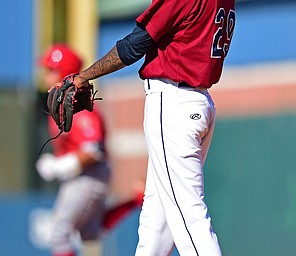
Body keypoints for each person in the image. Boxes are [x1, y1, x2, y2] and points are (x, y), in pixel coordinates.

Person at [51, 0, 236, 255]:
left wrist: (83, 76)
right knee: (155, 226)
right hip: (198, 103)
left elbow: (134, 45)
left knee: (189, 218)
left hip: (173, 103)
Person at [35, 44, 111, 256]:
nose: (46, 75)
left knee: (59, 234)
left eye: (51, 70)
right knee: (88, 232)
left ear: (63, 72)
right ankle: (134, 200)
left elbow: (93, 150)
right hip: (84, 174)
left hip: (89, 173)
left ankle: (135, 200)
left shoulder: (76, 103)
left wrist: (60, 166)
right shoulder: (59, 102)